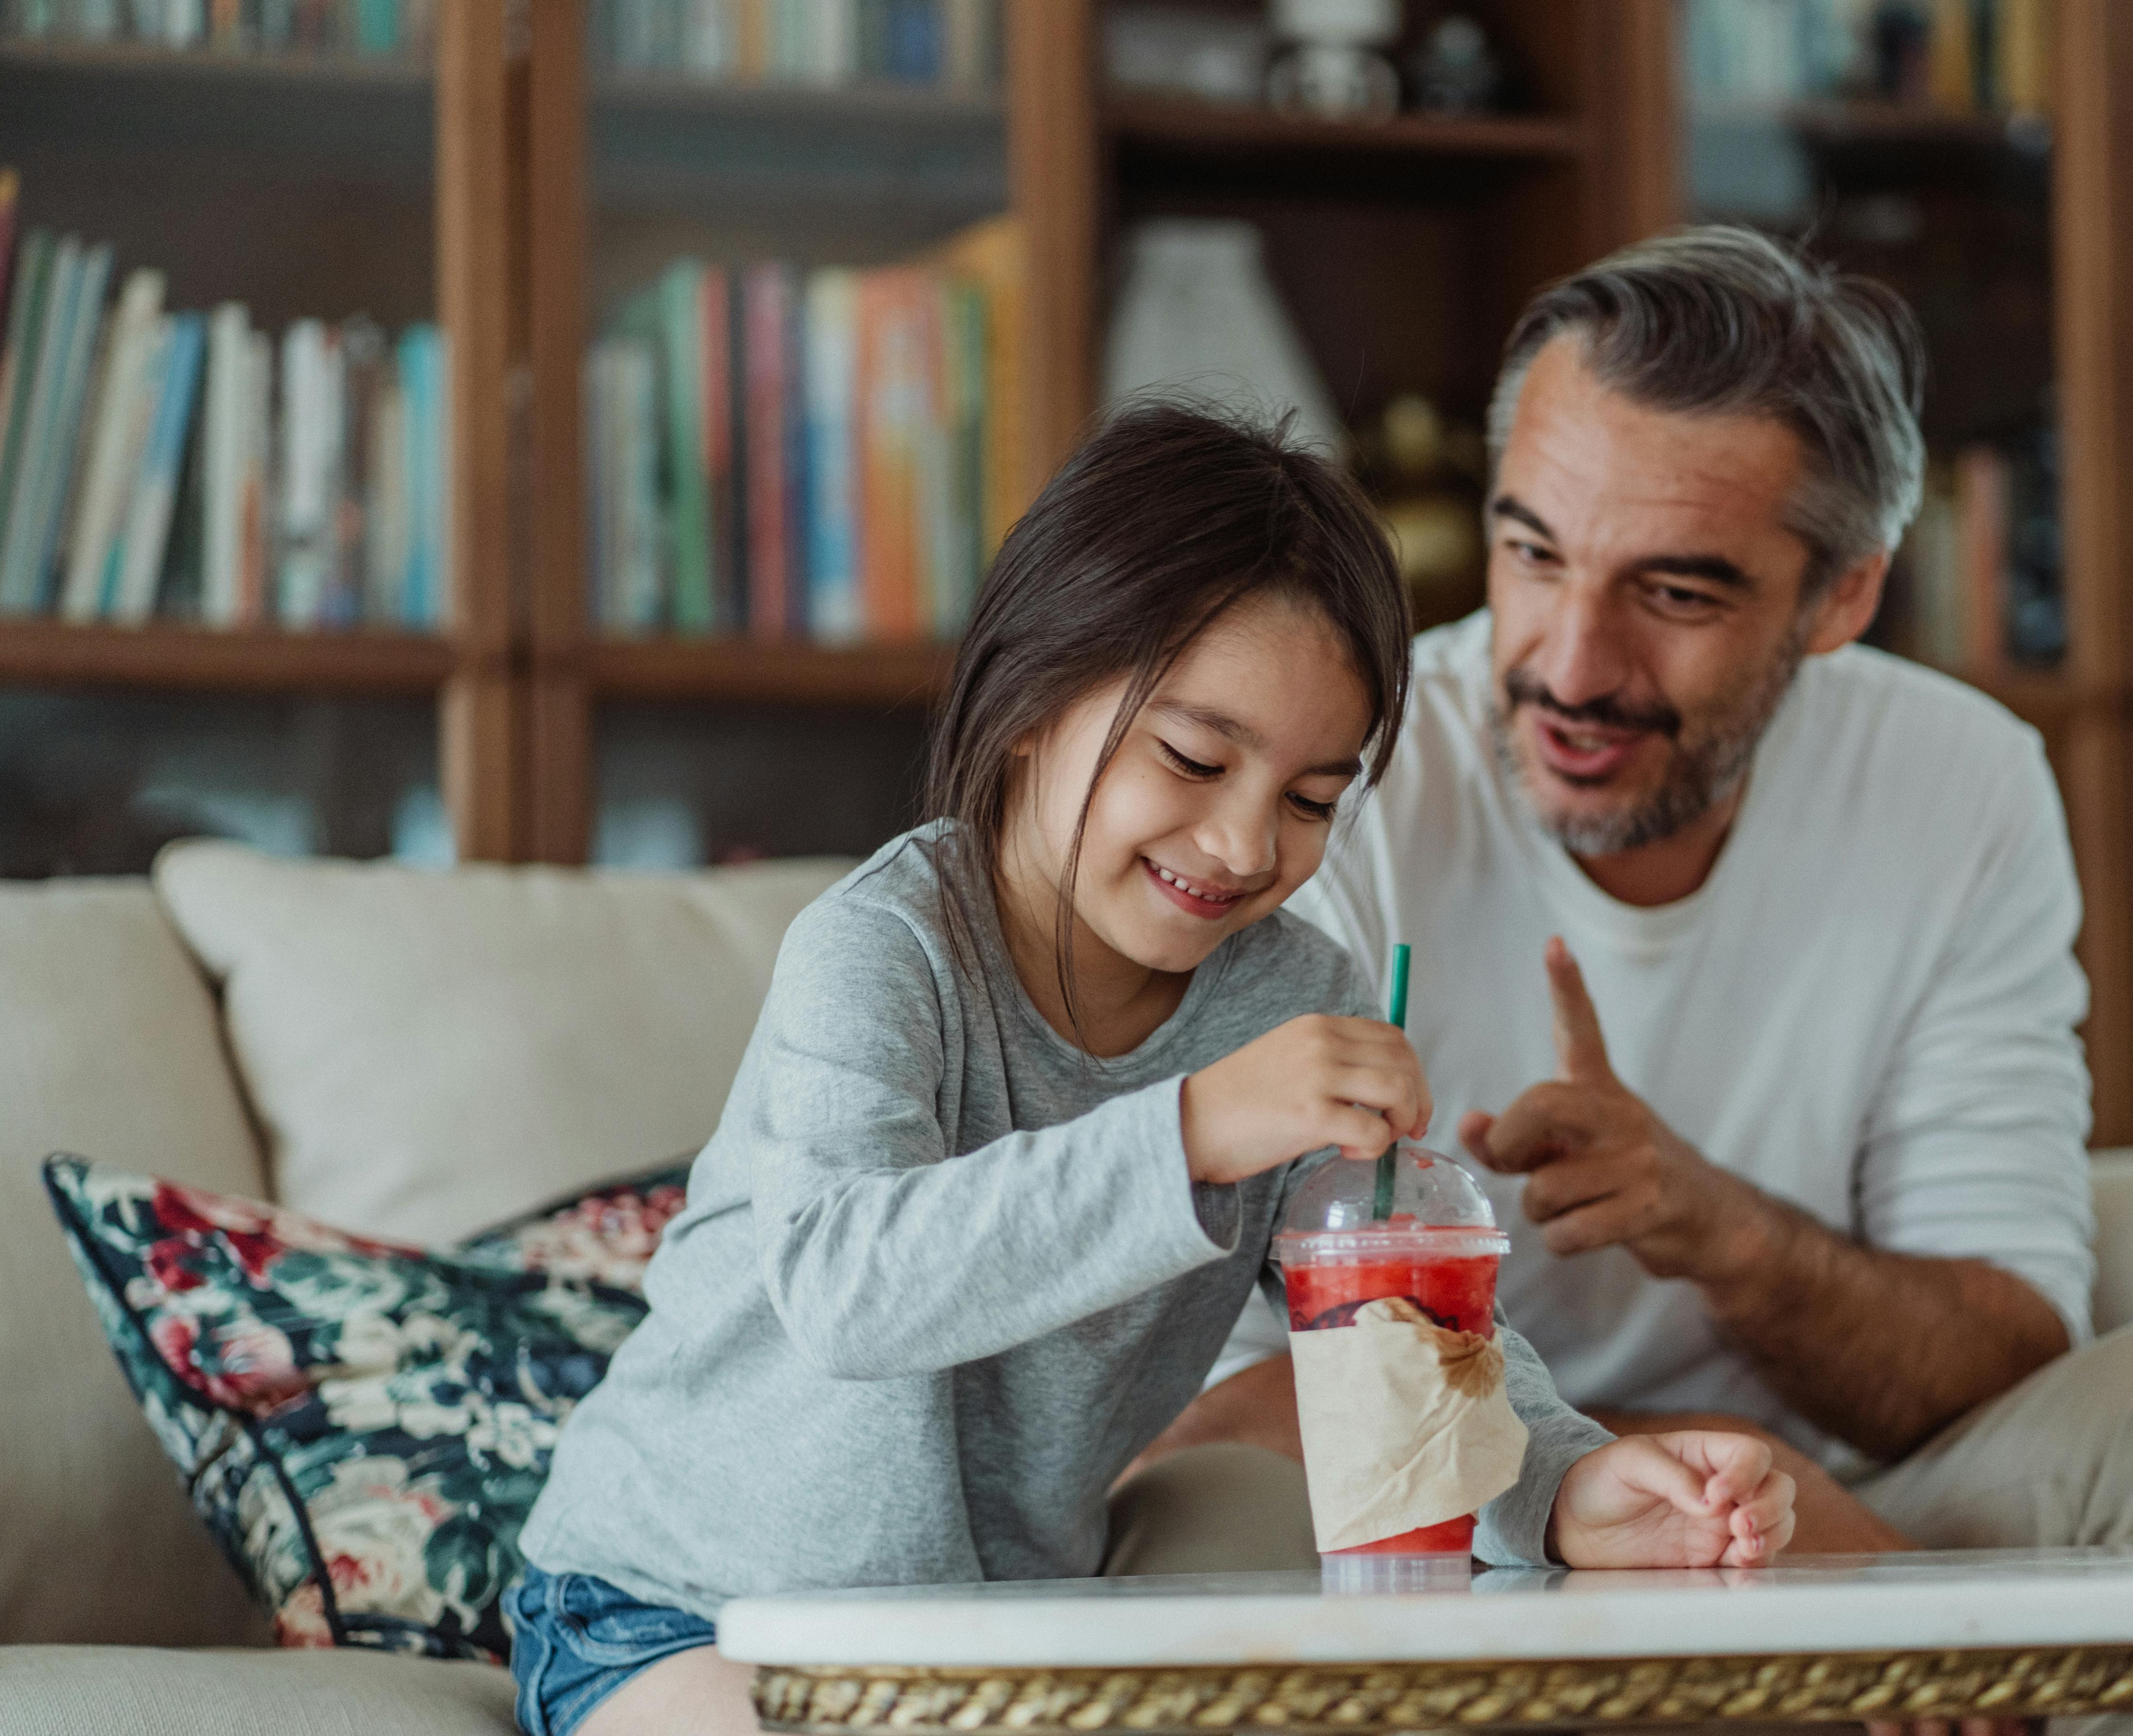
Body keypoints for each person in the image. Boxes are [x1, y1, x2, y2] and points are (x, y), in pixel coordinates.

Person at [1120, 232, 2133, 1727]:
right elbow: (1240, 1407)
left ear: (1842, 597)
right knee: (1233, 1501)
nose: (1572, 664)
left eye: (1675, 593)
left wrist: (1715, 1228)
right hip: (1448, 1528)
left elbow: (2000, 1353)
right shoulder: (1341, 779)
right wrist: (1720, 1511)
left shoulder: (1959, 782)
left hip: (1838, 1504)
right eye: (1534, 554)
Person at [507, 402, 1800, 1736]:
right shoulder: (886, 948)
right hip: (677, 1607)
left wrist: (1571, 1492)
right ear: (1032, 699)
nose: (1244, 843)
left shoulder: (1293, 995)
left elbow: (1400, 1335)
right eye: (1192, 758)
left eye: (1312, 799)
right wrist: (1193, 1128)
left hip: (991, 1649)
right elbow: (847, 1292)